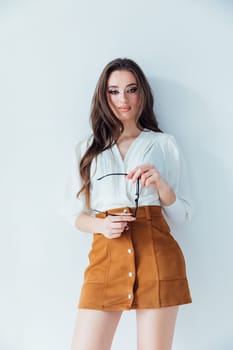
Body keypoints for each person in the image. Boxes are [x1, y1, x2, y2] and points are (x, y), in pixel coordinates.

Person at [64, 58, 192, 350]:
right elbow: (73, 214)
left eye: (131, 89)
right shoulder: (87, 149)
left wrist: (160, 185)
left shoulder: (163, 144)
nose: (123, 99)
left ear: (142, 93)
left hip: (157, 255)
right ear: (103, 95)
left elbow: (183, 213)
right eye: (114, 91)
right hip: (106, 256)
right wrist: (101, 224)